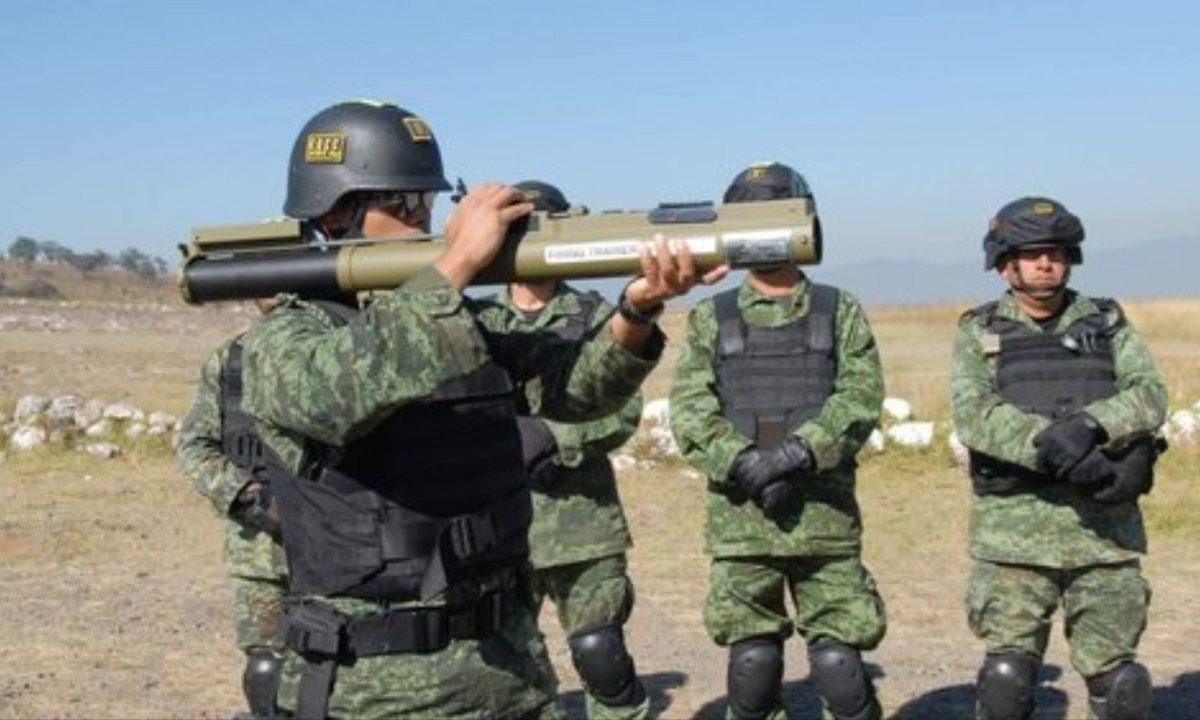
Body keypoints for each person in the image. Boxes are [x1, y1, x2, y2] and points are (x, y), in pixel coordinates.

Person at [230, 100, 726, 720]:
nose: (424, 222)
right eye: (402, 206)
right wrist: (456, 263)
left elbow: (579, 391)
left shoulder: (466, 320)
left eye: (428, 206)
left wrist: (638, 308)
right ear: (334, 212)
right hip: (377, 691)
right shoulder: (287, 339)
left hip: (508, 670)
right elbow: (339, 396)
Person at [669, 162, 886, 720]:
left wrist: (796, 454)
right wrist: (744, 464)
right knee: (753, 667)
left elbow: (859, 399)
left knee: (840, 669)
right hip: (743, 524)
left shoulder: (839, 310)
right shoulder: (709, 317)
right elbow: (691, 410)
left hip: (823, 518)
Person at [950, 196, 1167, 720]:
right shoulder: (979, 331)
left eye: (1055, 252)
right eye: (1031, 254)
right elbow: (975, 414)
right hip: (1013, 538)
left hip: (1104, 535)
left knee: (1121, 685)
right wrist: (1060, 452)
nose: (1045, 263)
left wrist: (1093, 426)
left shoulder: (1109, 323)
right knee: (1006, 682)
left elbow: (1150, 394)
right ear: (1005, 263)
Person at [498, 180, 649, 719]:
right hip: (499, 532)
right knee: (504, 669)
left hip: (582, 526)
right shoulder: (476, 322)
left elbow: (624, 410)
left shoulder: (595, 315)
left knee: (600, 655)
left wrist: (551, 439)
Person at [176, 296, 288, 720]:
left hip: (341, 541)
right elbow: (194, 446)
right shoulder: (231, 361)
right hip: (260, 550)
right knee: (267, 664)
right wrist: (252, 499)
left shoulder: (344, 343)